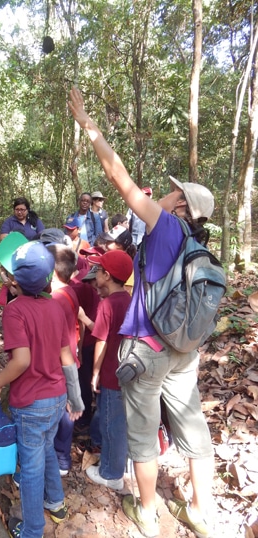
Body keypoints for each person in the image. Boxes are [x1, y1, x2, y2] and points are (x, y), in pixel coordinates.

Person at [68, 86, 215, 538]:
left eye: (174, 194)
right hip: (184, 351)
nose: (167, 196)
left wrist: (89, 126)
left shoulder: (167, 227)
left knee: (142, 432)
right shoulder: (199, 246)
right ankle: (200, 512)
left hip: (148, 348)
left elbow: (122, 182)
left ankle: (149, 513)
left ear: (183, 208)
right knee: (193, 428)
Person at [0, 241, 84, 538]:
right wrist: (75, 399)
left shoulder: (15, 312)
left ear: (14, 280)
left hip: (30, 403)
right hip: (57, 398)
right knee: (47, 452)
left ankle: (32, 531)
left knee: (30, 469)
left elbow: (22, 361)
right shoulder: (55, 306)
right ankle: (56, 502)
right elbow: (67, 357)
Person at [81, 251, 132, 491]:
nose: (97, 275)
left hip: (112, 374)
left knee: (112, 424)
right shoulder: (130, 299)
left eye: (99, 271)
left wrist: (95, 372)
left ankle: (111, 473)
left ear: (107, 276)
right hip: (129, 371)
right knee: (119, 420)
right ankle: (118, 462)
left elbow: (100, 340)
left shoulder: (107, 304)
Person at [46, 244, 80, 476]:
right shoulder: (69, 291)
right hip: (70, 356)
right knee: (66, 411)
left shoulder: (55, 299)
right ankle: (62, 457)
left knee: (64, 412)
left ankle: (60, 457)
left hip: (60, 362)